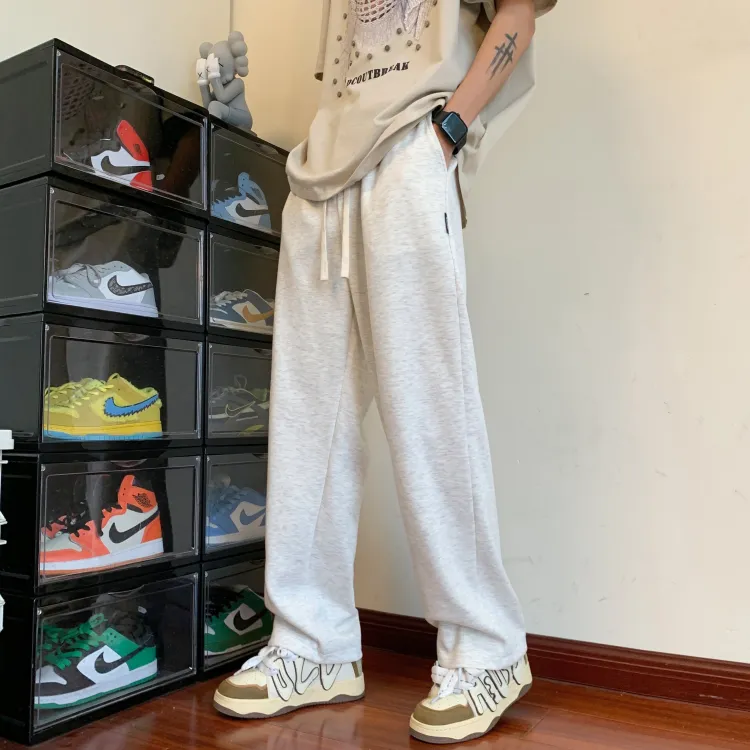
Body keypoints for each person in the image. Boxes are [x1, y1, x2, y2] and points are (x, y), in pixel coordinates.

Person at [213, 0, 556, 743]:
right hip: (319, 175)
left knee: (429, 409)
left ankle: (487, 647)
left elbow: (518, 16)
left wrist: (447, 134)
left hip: (411, 149)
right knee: (308, 421)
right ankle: (314, 643)